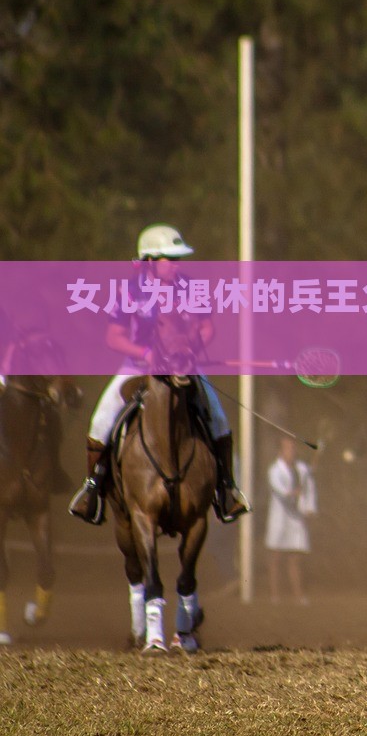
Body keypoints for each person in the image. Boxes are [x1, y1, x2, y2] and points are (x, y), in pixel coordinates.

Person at [68, 224, 250, 524]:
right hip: (137, 367)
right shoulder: (130, 291)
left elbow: (207, 328)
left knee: (217, 417)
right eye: (170, 259)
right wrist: (146, 354)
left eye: (177, 259)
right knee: (100, 421)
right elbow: (114, 337)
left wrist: (192, 349)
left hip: (184, 364)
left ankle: (226, 488)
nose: (176, 265)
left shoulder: (191, 288)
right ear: (150, 260)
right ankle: (92, 490)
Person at [265, 435, 317, 604]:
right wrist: (293, 493)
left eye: (293, 448)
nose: (292, 452)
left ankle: (298, 595)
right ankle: (274, 596)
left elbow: (310, 488)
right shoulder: (274, 470)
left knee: (295, 557)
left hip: (297, 520)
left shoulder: (302, 469)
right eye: (288, 449)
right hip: (280, 519)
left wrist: (310, 508)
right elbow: (280, 490)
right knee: (276, 557)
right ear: (281, 451)